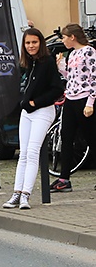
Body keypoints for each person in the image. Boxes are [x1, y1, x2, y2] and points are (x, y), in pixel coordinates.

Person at [2, 28, 65, 209]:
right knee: (23, 153)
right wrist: (24, 102)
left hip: (43, 111)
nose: (31, 46)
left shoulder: (47, 62)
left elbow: (57, 89)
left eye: (34, 42)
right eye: (28, 43)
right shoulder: (28, 63)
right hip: (27, 113)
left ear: (40, 43)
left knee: (32, 152)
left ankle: (25, 195)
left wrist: (34, 102)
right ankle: (16, 193)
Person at [50, 24, 96, 192]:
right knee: (66, 137)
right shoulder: (73, 54)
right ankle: (64, 178)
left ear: (72, 37)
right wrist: (61, 66)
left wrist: (90, 102)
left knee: (91, 138)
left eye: (64, 37)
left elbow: (93, 77)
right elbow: (72, 77)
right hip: (70, 97)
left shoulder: (89, 51)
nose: (63, 41)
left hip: (84, 99)